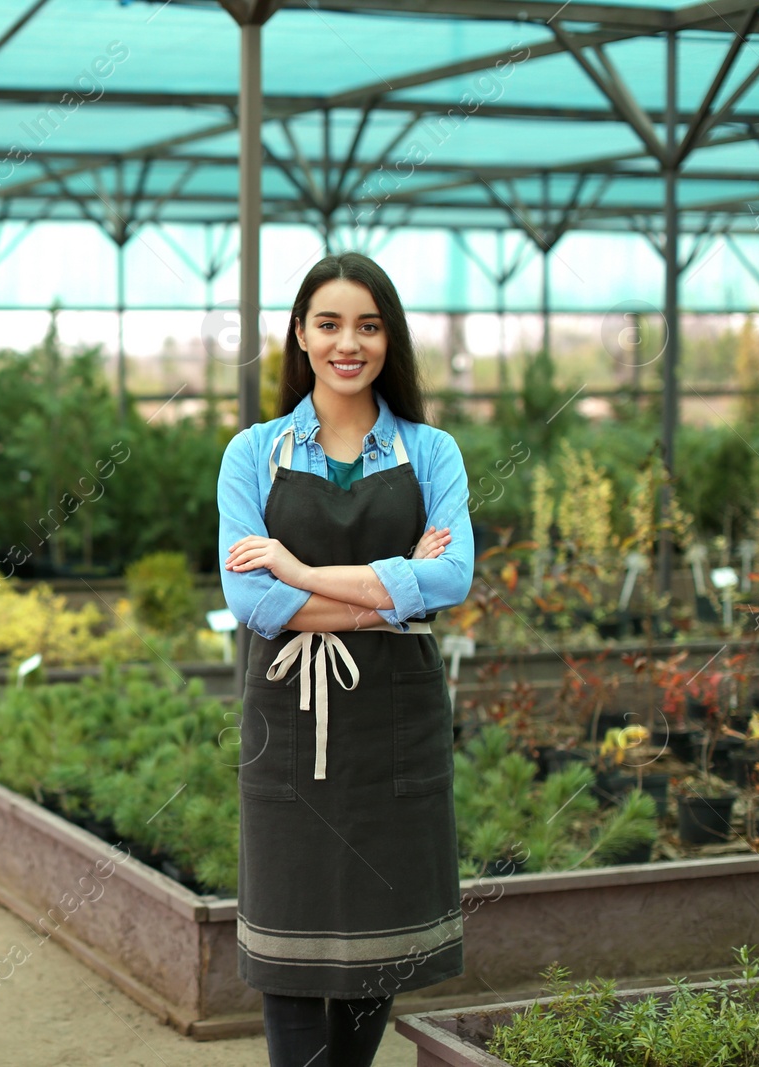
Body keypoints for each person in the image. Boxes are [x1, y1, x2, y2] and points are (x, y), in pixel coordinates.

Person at [216, 252, 474, 1067]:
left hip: (391, 726)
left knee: (376, 945)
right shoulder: (253, 452)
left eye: (368, 324)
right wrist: (388, 595)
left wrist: (296, 571)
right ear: (300, 334)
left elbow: (452, 579)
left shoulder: (432, 453)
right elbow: (249, 601)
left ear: (389, 338)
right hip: (289, 725)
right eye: (328, 324)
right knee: (288, 953)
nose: (348, 343)